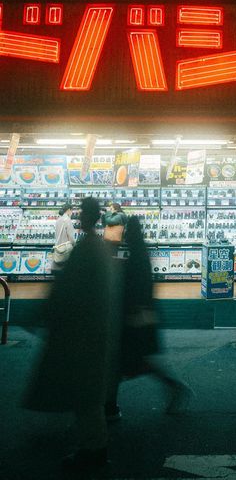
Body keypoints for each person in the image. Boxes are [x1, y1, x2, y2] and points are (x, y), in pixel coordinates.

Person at [24, 197, 120, 474]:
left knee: (85, 395)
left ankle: (93, 450)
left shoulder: (85, 249)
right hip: (98, 330)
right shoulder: (99, 249)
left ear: (83, 218)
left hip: (83, 334)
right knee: (91, 393)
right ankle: (93, 446)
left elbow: (65, 290)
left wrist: (41, 315)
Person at [105, 215, 190, 421]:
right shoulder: (141, 252)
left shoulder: (136, 255)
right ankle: (110, 406)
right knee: (134, 362)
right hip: (143, 316)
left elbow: (135, 286)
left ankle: (110, 407)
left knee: (123, 363)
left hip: (135, 318)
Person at [51, 203, 76, 272]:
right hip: (66, 249)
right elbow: (71, 237)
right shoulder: (67, 220)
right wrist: (74, 245)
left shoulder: (59, 219)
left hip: (58, 247)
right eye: (71, 211)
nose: (72, 213)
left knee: (59, 267)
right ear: (68, 210)